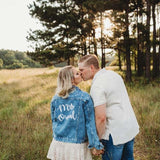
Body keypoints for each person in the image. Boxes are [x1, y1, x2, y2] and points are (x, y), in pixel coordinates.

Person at [78, 55, 139, 160]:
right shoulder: (113, 75)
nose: (80, 73)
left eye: (81, 70)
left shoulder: (97, 85)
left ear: (91, 68)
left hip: (114, 134)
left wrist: (97, 141)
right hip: (129, 128)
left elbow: (101, 118)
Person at [47, 65, 104, 160]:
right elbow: (90, 124)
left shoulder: (55, 99)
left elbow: (54, 121)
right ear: (71, 80)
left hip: (58, 143)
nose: (80, 74)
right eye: (77, 73)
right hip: (76, 145)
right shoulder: (85, 98)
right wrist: (96, 145)